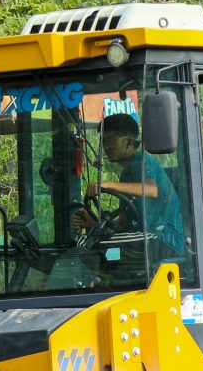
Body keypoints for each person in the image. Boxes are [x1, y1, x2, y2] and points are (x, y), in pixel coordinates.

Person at [73, 112, 185, 262]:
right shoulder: (126, 174)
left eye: (111, 140)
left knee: (95, 246)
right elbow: (123, 222)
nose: (106, 146)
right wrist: (95, 223)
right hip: (142, 237)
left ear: (129, 143)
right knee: (104, 253)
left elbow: (152, 190)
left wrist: (108, 185)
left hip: (164, 238)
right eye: (104, 140)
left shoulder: (142, 161)